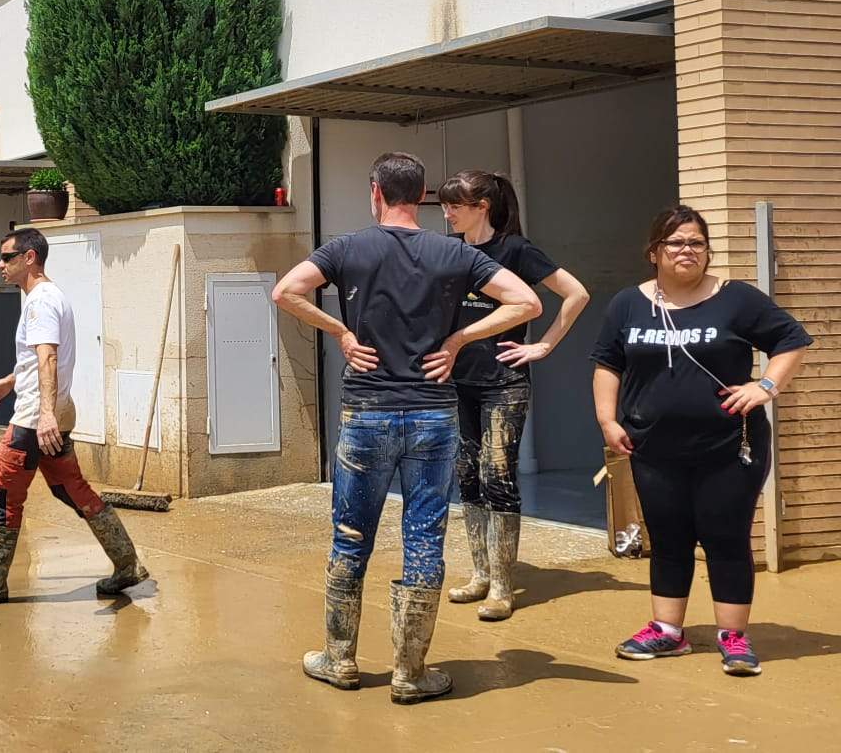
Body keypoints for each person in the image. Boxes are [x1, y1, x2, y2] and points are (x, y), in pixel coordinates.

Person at [271, 152, 540, 704]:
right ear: (423, 198)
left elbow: (286, 292)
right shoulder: (455, 253)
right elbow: (527, 301)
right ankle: (410, 672)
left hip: (367, 413)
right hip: (433, 415)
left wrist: (341, 333)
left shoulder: (348, 248)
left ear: (375, 192)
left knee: (351, 536)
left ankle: (340, 659)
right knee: (423, 538)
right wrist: (459, 340)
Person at [592, 205, 810, 677]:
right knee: (667, 537)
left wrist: (765, 387)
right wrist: (607, 421)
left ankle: (733, 636)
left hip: (729, 446)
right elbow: (608, 363)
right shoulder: (628, 304)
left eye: (696, 243)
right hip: (652, 446)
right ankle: (667, 631)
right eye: (676, 243)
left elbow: (791, 340)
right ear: (654, 252)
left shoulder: (736, 299)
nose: (687, 250)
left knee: (725, 536)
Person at [0, 228, 150, 608]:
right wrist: (10, 382)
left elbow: (49, 357)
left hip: (34, 418)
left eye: (7, 257)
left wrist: (44, 416)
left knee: (4, 493)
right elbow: (36, 360)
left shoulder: (39, 301)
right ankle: (128, 565)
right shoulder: (49, 298)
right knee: (71, 489)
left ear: (29, 258)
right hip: (51, 411)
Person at [438, 171, 591, 622]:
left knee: (498, 475)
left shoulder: (516, 249)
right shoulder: (451, 250)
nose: (447, 214)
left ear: (482, 206)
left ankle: (503, 586)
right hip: (458, 380)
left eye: (455, 206)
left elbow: (576, 293)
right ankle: (481, 574)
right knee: (467, 475)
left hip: (504, 380)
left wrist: (543, 345)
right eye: (446, 206)